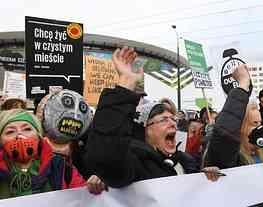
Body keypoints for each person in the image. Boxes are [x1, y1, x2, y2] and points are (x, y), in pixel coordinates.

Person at [86, 47, 211, 189]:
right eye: (164, 119)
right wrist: (126, 82)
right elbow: (107, 155)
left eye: (173, 119)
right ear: (145, 129)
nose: (173, 124)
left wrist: (204, 179)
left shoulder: (186, 161)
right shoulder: (135, 165)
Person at [0, 109, 101, 198]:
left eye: (27, 129)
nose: (20, 135)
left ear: (39, 136)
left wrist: (97, 185)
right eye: (10, 132)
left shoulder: (60, 167)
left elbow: (83, 196)